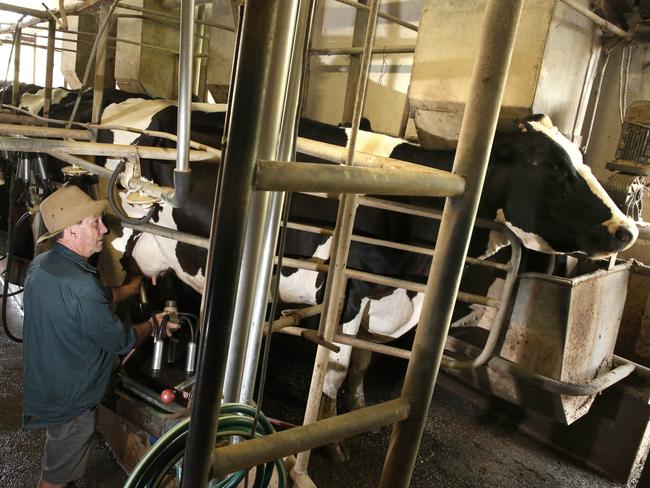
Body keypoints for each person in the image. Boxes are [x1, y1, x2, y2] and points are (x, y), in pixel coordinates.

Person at [22, 184, 179, 488]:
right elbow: (121, 340)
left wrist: (129, 289)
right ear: (71, 231)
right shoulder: (82, 288)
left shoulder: (41, 267)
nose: (104, 229)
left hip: (48, 386)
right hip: (72, 401)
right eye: (95, 222)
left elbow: (87, 301)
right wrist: (153, 324)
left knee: (58, 460)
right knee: (54, 480)